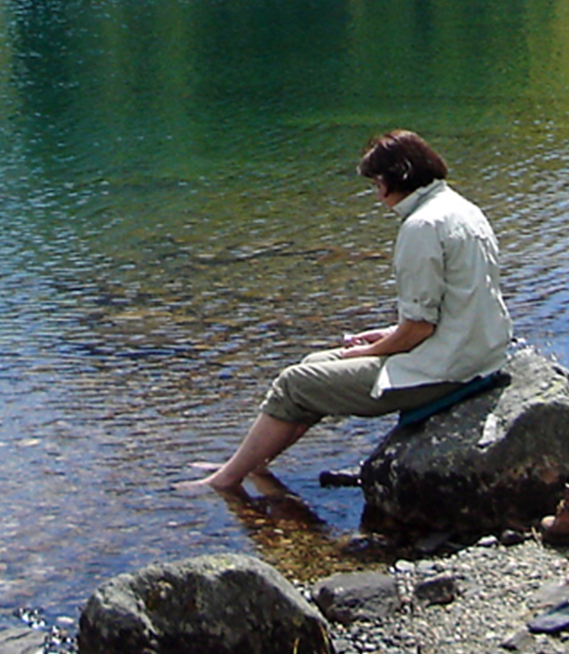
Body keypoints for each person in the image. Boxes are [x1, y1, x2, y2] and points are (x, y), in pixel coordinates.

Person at [181, 129, 512, 492]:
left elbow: (419, 330)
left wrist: (369, 350)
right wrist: (388, 334)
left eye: (375, 183)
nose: (376, 193)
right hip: (477, 352)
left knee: (293, 383)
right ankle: (249, 464)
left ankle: (226, 480)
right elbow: (457, 306)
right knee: (312, 365)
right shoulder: (462, 209)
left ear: (393, 180)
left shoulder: (421, 227)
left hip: (448, 369)